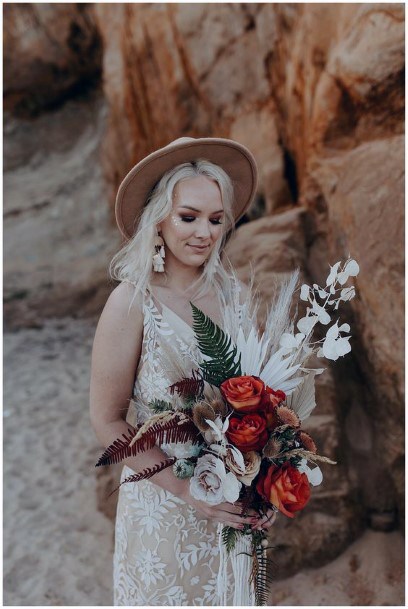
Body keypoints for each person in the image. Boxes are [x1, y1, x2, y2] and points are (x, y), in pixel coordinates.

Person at [89, 136, 277, 606]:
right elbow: (107, 420)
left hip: (236, 508)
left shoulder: (235, 295)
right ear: (159, 220)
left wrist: (270, 481)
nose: (204, 232)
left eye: (216, 220)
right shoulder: (131, 303)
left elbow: (261, 399)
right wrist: (188, 491)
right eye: (188, 217)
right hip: (165, 509)